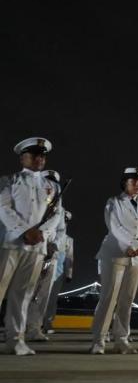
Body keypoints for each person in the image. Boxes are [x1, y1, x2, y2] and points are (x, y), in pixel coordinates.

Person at [0, 138, 64, 356]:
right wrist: (24, 230)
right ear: (22, 157)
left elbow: (56, 216)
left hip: (37, 246)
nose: (39, 159)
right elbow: (3, 207)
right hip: (12, 242)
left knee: (23, 294)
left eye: (42, 156)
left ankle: (15, 340)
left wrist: (42, 233)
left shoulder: (52, 187)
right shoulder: (10, 180)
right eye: (34, 155)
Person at [90, 167, 138, 355]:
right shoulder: (113, 202)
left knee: (127, 299)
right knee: (108, 298)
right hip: (115, 254)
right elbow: (114, 227)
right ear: (124, 183)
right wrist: (133, 244)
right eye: (133, 181)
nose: (137, 184)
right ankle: (99, 340)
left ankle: (122, 339)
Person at [25, 171, 68, 342]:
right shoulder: (31, 202)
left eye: (53, 183)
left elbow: (61, 231)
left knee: (43, 293)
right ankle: (17, 328)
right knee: (25, 290)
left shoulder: (60, 209)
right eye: (47, 182)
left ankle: (34, 328)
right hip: (29, 248)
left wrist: (53, 245)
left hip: (50, 253)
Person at [43, 212, 74, 335]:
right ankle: (34, 323)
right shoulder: (49, 235)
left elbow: (70, 258)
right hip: (45, 269)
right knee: (38, 297)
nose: (65, 222)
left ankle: (48, 323)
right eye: (64, 219)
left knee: (52, 300)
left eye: (66, 220)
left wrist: (69, 274)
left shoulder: (69, 240)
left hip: (58, 274)